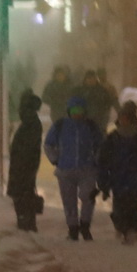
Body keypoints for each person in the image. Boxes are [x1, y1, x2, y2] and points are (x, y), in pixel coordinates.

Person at [98, 100, 137, 246]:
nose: (123, 121)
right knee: (119, 206)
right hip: (118, 180)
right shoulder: (112, 138)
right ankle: (123, 228)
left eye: (126, 118)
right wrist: (103, 183)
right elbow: (103, 161)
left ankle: (131, 231)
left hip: (135, 180)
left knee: (133, 207)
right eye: (121, 118)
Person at [44, 97, 102, 241]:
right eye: (74, 110)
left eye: (80, 110)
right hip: (65, 170)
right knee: (69, 201)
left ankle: (85, 225)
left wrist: (96, 160)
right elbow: (48, 144)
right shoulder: (60, 125)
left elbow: (101, 146)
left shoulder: (91, 126)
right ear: (69, 111)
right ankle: (73, 228)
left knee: (88, 197)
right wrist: (56, 160)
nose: (77, 114)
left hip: (87, 169)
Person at [6, 90, 44, 232]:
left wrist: (21, 162)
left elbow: (26, 147)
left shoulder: (30, 123)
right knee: (24, 193)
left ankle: (26, 222)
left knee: (23, 194)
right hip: (25, 165)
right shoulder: (30, 123)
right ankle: (26, 221)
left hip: (24, 165)